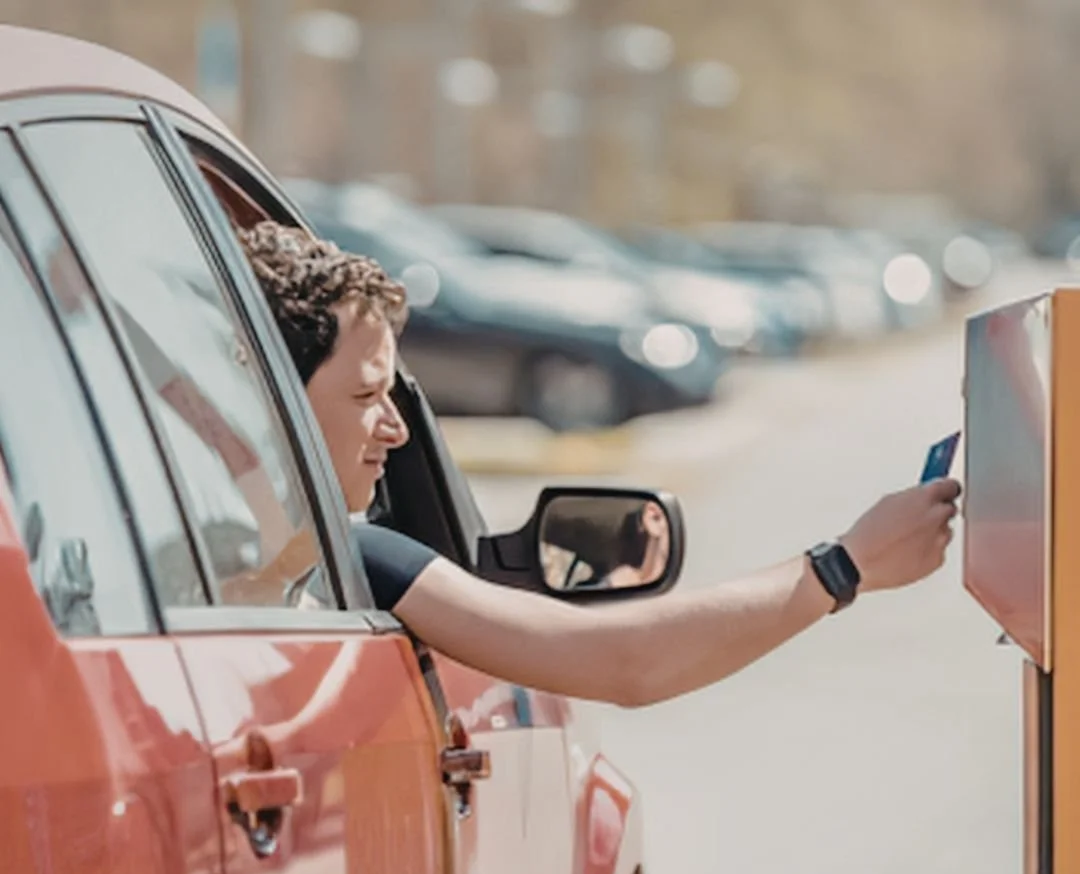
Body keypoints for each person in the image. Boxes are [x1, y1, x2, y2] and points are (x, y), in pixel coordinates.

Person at [237, 221, 961, 709]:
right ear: (270, 405)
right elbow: (626, 661)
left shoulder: (211, 562)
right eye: (367, 394)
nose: (395, 429)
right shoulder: (359, 561)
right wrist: (845, 567)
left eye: (395, 393)